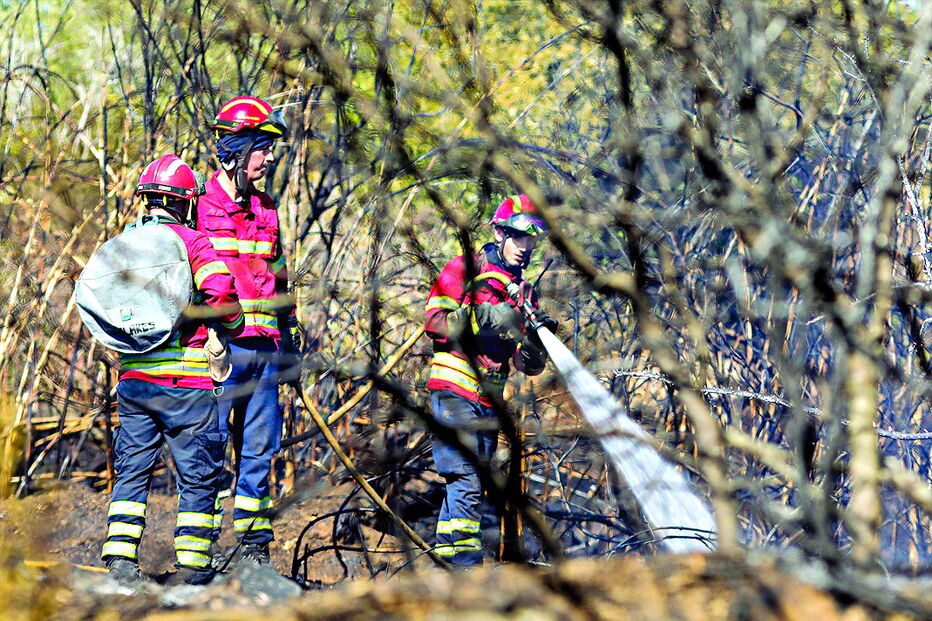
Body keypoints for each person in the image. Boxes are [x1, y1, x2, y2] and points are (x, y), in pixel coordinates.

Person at [101, 154, 244, 585]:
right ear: (186, 202)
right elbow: (222, 299)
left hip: (135, 384)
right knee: (199, 475)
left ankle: (121, 564)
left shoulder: (121, 245)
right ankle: (195, 568)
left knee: (132, 472)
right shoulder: (194, 243)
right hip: (186, 383)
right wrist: (232, 325)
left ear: (146, 199)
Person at [424, 193, 556, 566]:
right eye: (517, 237)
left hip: (488, 399)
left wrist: (533, 349)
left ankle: (447, 564)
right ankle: (468, 570)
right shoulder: (467, 268)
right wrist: (482, 318)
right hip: (454, 389)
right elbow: (434, 321)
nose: (524, 247)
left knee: (468, 483)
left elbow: (522, 362)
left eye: (531, 239)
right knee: (464, 479)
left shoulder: (525, 293)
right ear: (499, 232)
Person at [196, 95, 298, 564]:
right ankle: (200, 551)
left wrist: (290, 336)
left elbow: (278, 278)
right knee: (211, 448)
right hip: (219, 352)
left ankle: (253, 548)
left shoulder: (267, 209)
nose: (271, 157)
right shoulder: (199, 207)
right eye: (263, 147)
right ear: (235, 149)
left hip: (266, 350)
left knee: (259, 448)